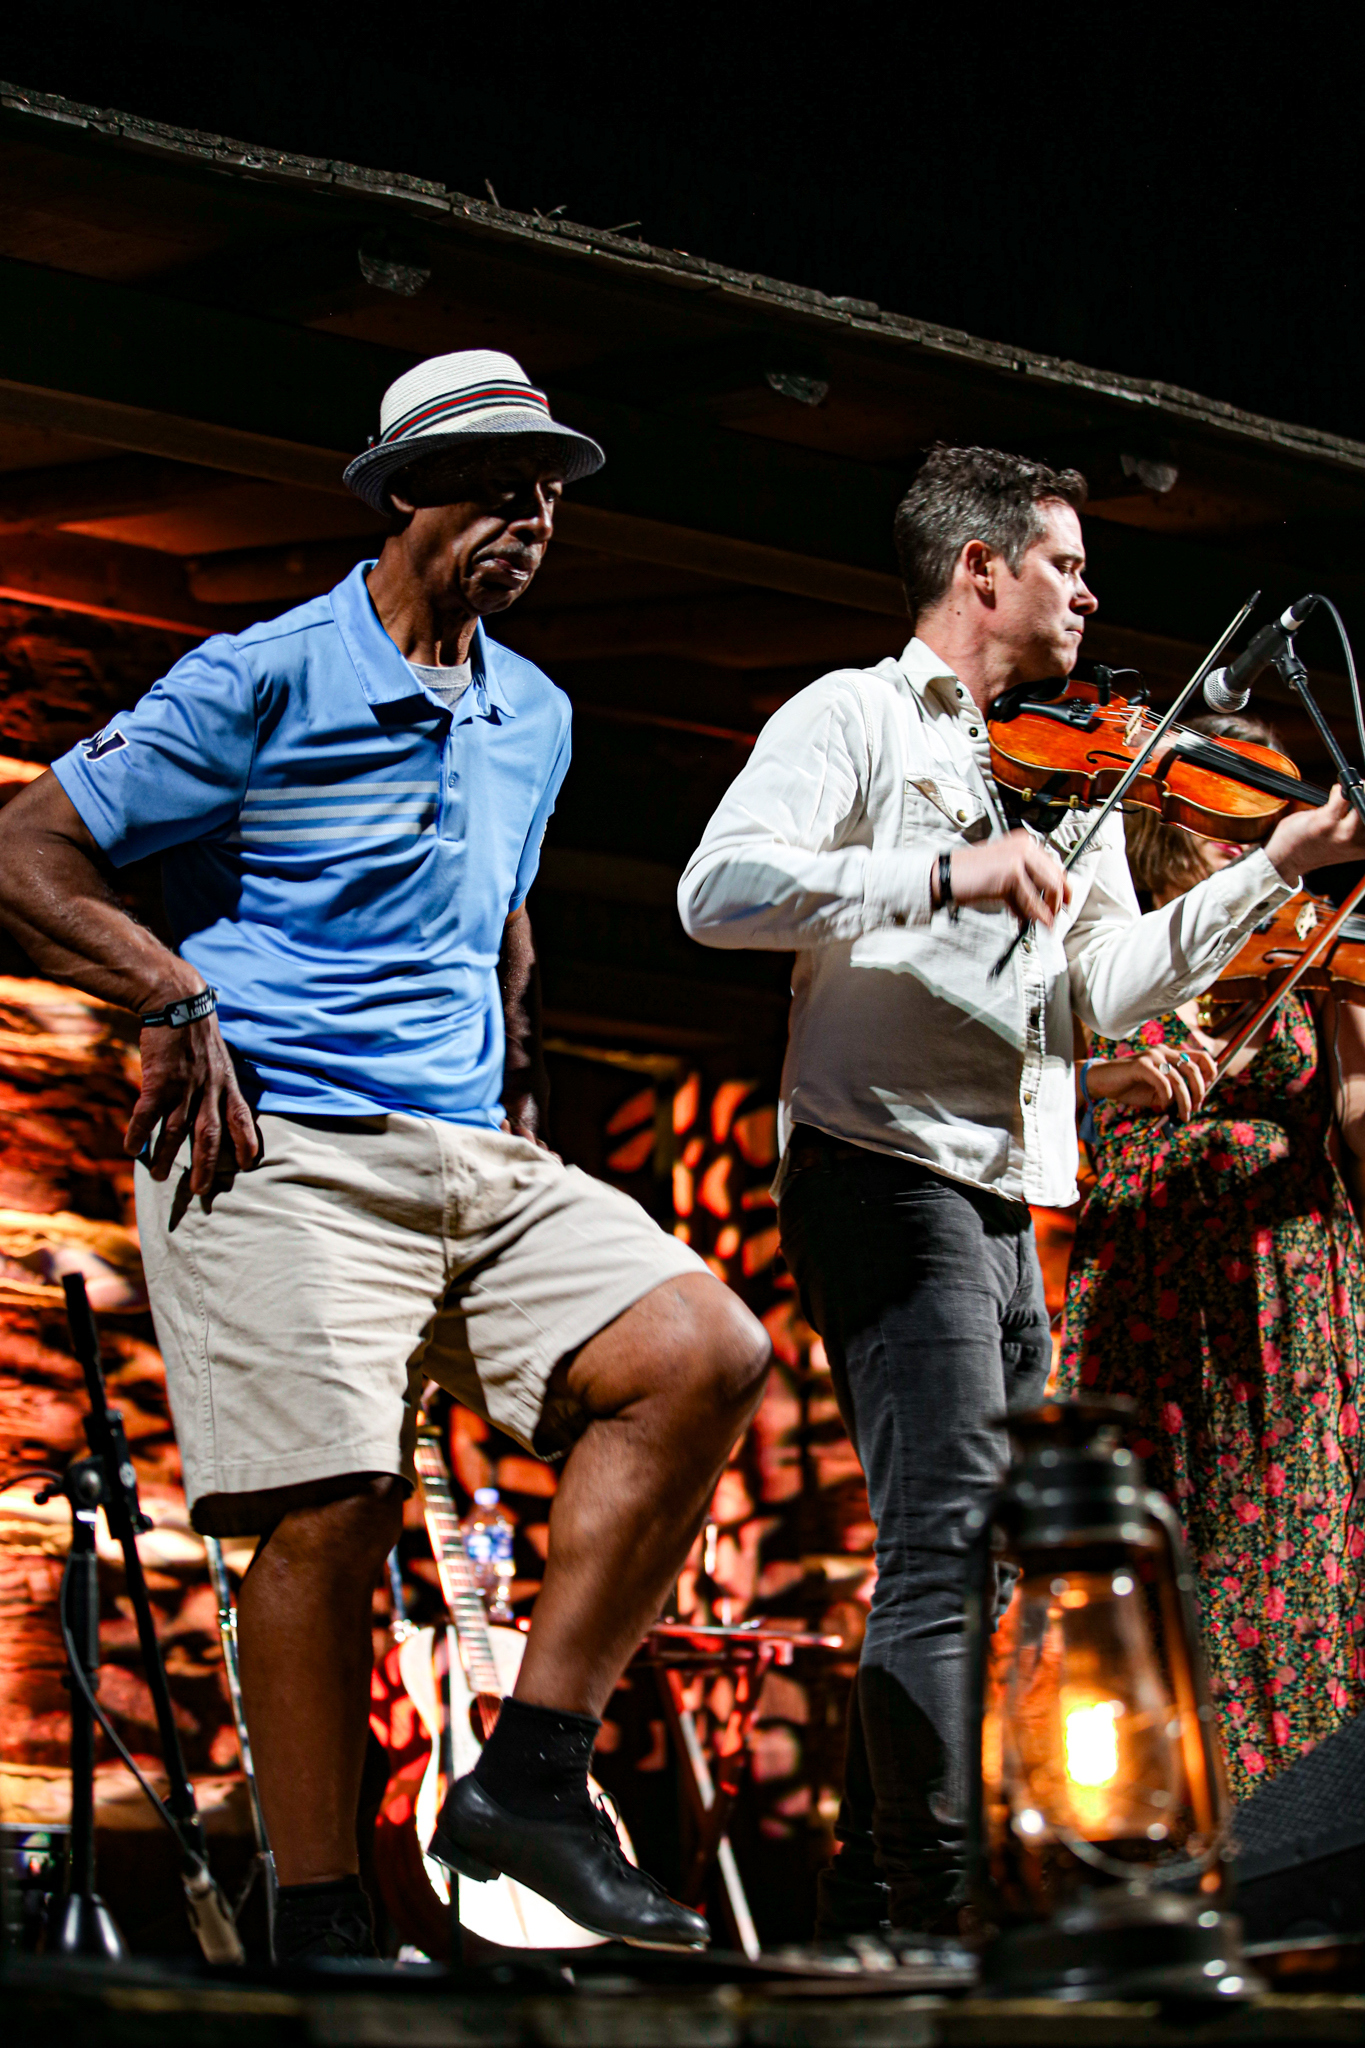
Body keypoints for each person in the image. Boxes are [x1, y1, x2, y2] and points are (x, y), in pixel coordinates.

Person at [0, 349, 771, 1963]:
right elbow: (27, 847)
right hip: (276, 1139)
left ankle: (534, 1777)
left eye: (551, 485)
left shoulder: (535, 710)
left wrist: (529, 1083)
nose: (532, 513)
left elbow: (505, 918)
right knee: (335, 1499)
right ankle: (324, 1910)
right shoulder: (261, 676)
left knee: (703, 1344)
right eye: (500, 479)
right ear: (405, 489)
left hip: (470, 1146)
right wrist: (168, 988)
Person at [676, 443, 1365, 1938]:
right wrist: (941, 879)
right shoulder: (854, 715)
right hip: (879, 1159)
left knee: (986, 1559)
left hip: (1000, 1184)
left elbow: (1087, 1004)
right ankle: (932, 1909)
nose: (1089, 590)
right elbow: (715, 889)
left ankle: (879, 1891)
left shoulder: (1065, 772)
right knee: (945, 1541)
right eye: (1064, 562)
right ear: (979, 570)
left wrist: (1276, 872)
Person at [1059, 715, 1365, 1804]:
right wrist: (1107, 1086)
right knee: (1143, 1564)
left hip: (1277, 1293)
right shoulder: (1110, 946)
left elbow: (1358, 1117)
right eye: (1222, 808)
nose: (1249, 828)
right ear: (1165, 819)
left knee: (1283, 1560)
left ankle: (1292, 1836)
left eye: (1263, 806)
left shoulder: (1316, 942)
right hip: (1137, 1288)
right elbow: (1025, 1073)